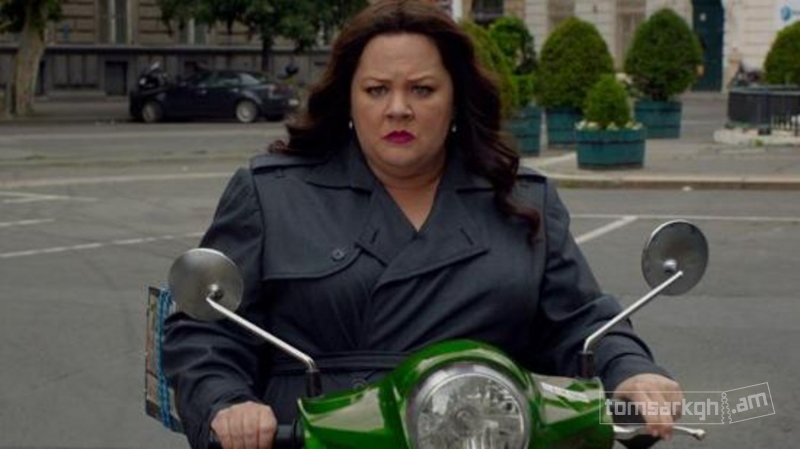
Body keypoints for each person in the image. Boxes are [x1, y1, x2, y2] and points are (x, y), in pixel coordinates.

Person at [163, 1, 684, 448]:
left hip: (481, 432)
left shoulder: (522, 200)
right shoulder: (272, 193)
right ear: (348, 99)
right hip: (322, 437)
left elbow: (581, 321)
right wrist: (226, 403)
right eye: (376, 90)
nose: (398, 109)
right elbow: (206, 328)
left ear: (456, 98)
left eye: (422, 89)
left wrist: (631, 371)